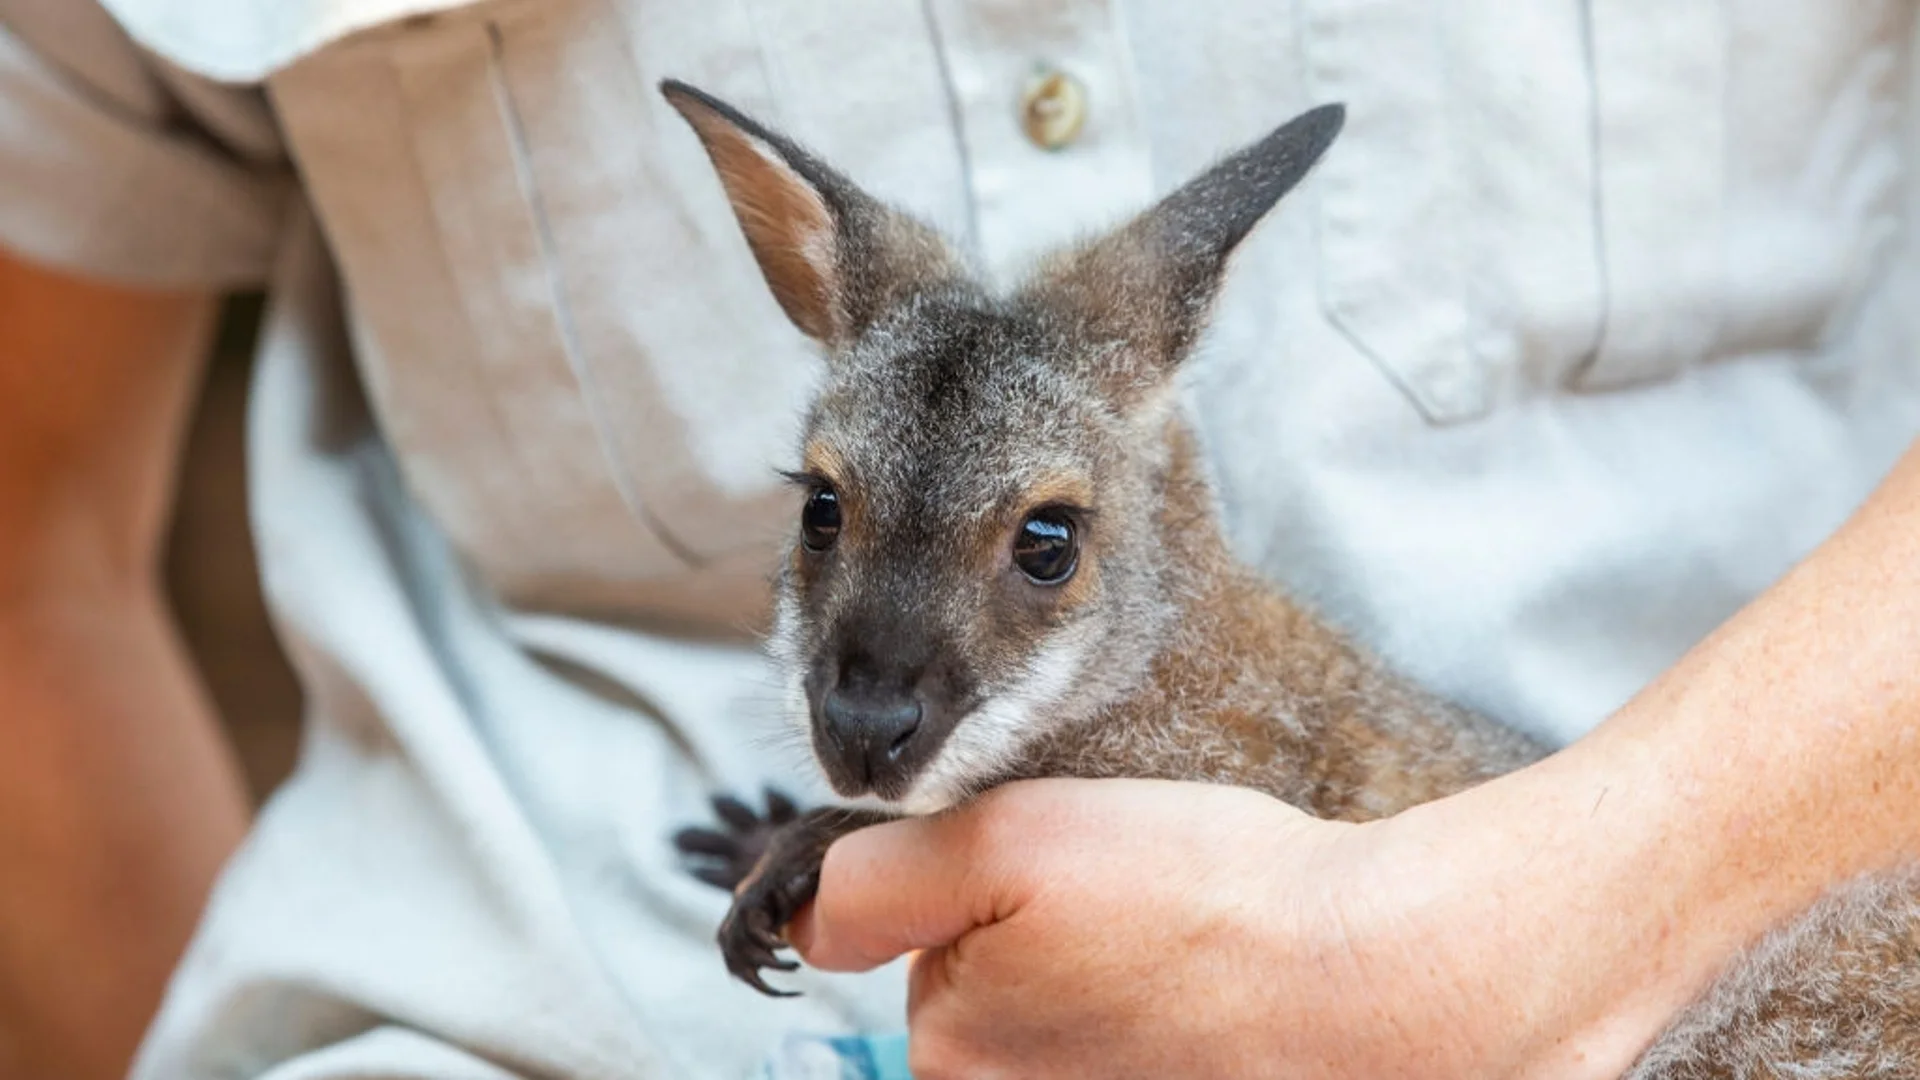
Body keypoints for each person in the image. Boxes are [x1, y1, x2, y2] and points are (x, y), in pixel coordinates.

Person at [2, 1, 1917, 1078]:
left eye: (1040, 548)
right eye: (828, 525)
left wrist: (1524, 936)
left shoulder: (1230, 690)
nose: (875, 672)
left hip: (1666, 980)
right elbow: (31, 549)